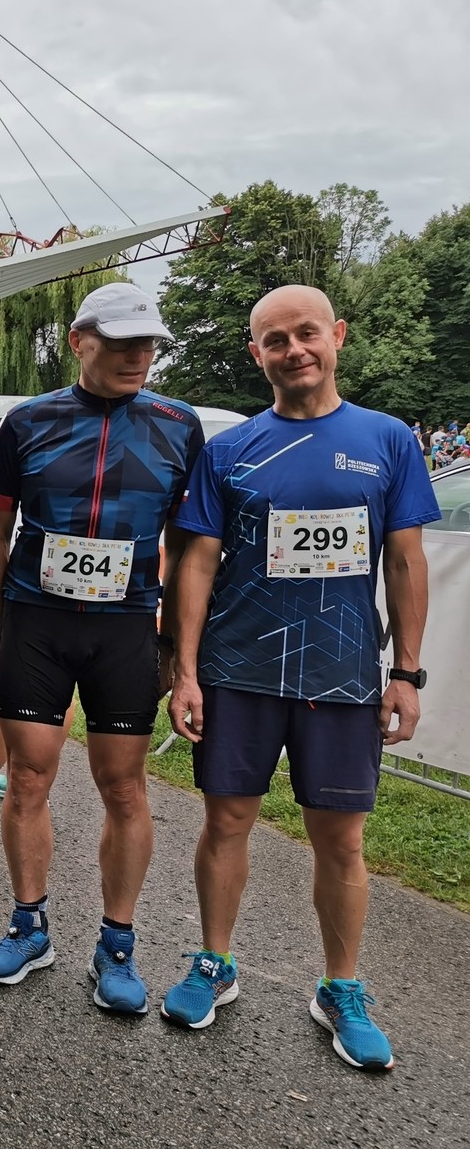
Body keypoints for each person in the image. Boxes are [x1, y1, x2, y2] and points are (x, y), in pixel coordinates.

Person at [162, 284, 437, 1070]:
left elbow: (404, 560)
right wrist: (185, 671)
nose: (294, 351)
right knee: (225, 823)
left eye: (306, 333)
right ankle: (214, 962)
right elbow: (195, 564)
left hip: (341, 678)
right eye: (275, 340)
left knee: (340, 840)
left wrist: (405, 673)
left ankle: (339, 988)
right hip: (238, 671)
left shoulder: (388, 440)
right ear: (256, 354)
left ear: (336, 335)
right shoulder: (228, 451)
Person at [0, 282, 203, 1015]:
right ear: (79, 341)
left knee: (124, 787)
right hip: (38, 624)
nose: (139, 357)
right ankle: (28, 926)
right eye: (122, 343)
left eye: (149, 345)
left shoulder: (178, 425)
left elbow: (186, 545)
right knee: (28, 778)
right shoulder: (28, 421)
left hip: (124, 629)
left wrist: (174, 647)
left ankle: (117, 946)